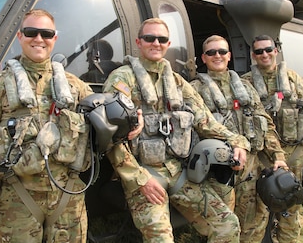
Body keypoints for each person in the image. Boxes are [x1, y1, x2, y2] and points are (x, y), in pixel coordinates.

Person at [0, 9, 143, 242]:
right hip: (18, 196)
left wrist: (129, 130)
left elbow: (106, 129)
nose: (39, 39)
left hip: (68, 196)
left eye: (46, 33)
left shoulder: (75, 87)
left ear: (54, 38)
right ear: (20, 37)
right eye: (31, 32)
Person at [102, 18, 249, 243]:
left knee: (227, 224)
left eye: (161, 39)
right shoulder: (122, 79)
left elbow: (205, 121)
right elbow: (111, 138)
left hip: (177, 171)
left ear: (168, 44)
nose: (156, 43)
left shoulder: (178, 83)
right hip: (143, 172)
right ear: (138, 42)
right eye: (149, 38)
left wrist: (237, 141)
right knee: (161, 239)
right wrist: (139, 179)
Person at [190, 35, 288, 242]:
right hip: (217, 175)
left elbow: (265, 125)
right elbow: (199, 126)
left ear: (229, 56)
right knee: (222, 230)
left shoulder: (245, 88)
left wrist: (277, 155)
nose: (217, 56)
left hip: (250, 172)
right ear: (204, 58)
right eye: (211, 52)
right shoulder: (194, 90)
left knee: (253, 226)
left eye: (222, 52)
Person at [241, 34, 303, 243]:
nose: (265, 54)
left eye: (268, 49)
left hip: (292, 154)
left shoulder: (292, 79)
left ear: (276, 51)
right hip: (261, 156)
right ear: (253, 55)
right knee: (257, 210)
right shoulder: (245, 83)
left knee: (290, 208)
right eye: (259, 51)